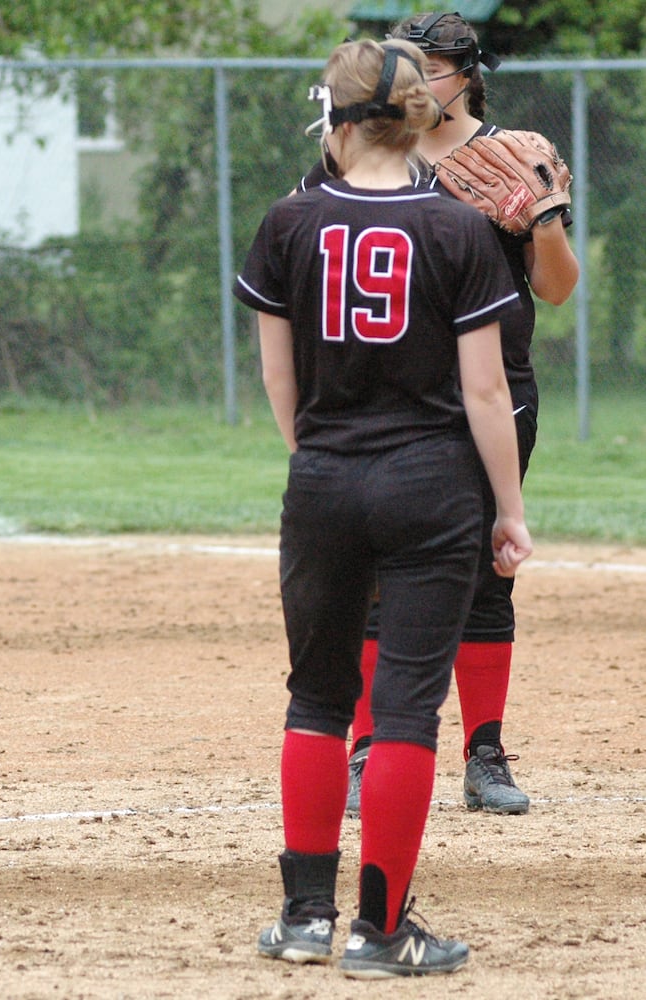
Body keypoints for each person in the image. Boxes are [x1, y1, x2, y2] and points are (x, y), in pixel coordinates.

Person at [234, 38, 532, 976]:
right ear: (416, 118)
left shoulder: (287, 221)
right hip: (430, 487)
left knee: (316, 699)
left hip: (322, 480)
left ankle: (300, 920)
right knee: (404, 712)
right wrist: (508, 509)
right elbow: (487, 395)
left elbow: (277, 377)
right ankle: (380, 932)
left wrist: (318, 458)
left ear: (335, 119)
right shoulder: (456, 230)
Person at [336, 11, 580, 818]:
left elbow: (556, 287)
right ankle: (368, 750)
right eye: (407, 65)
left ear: (466, 75)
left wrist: (540, 219)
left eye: (431, 68)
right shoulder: (372, 152)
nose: (416, 80)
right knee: (375, 574)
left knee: (485, 572)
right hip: (392, 389)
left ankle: (483, 755)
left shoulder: (515, 152)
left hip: (497, 388)